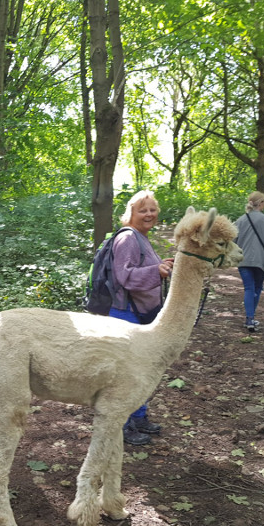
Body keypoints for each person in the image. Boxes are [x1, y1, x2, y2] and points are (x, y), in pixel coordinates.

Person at [109, 190, 174, 446]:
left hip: (141, 314)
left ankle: (139, 416)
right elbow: (125, 277)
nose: (149, 214)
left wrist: (161, 265)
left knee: (142, 370)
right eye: (142, 210)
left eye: (152, 209)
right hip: (126, 315)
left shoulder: (142, 238)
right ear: (131, 214)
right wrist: (155, 272)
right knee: (126, 374)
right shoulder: (127, 239)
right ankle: (123, 426)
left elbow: (142, 269)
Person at [234, 192, 264, 332]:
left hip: (243, 261)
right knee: (257, 288)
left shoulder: (240, 220)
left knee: (248, 288)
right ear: (260, 203)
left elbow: (232, 241)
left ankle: (249, 318)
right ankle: (251, 318)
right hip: (261, 261)